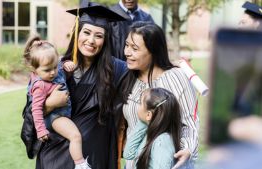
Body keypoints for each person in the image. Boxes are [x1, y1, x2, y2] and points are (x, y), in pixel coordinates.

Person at [34, 1, 128, 169]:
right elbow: (30, 113)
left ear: (105, 40)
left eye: (98, 36)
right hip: (54, 156)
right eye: (86, 32)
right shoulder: (55, 66)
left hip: (93, 155)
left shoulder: (117, 69)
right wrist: (49, 104)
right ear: (77, 33)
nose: (91, 40)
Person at [120, 21, 199, 169]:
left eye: (135, 48)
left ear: (153, 51)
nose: (127, 52)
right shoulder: (127, 78)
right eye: (127, 45)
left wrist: (187, 149)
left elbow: (189, 123)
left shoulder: (177, 78)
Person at [22, 36, 91, 169]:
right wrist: (41, 130)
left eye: (55, 67)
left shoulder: (54, 68)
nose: (53, 72)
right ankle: (80, 164)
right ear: (34, 69)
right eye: (47, 70)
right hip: (55, 117)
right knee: (75, 136)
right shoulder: (39, 86)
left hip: (61, 113)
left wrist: (65, 65)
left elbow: (59, 65)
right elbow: (36, 110)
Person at [123, 88, 182, 169]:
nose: (138, 106)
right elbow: (128, 154)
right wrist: (144, 122)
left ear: (148, 115)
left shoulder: (163, 142)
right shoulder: (151, 132)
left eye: (140, 103)